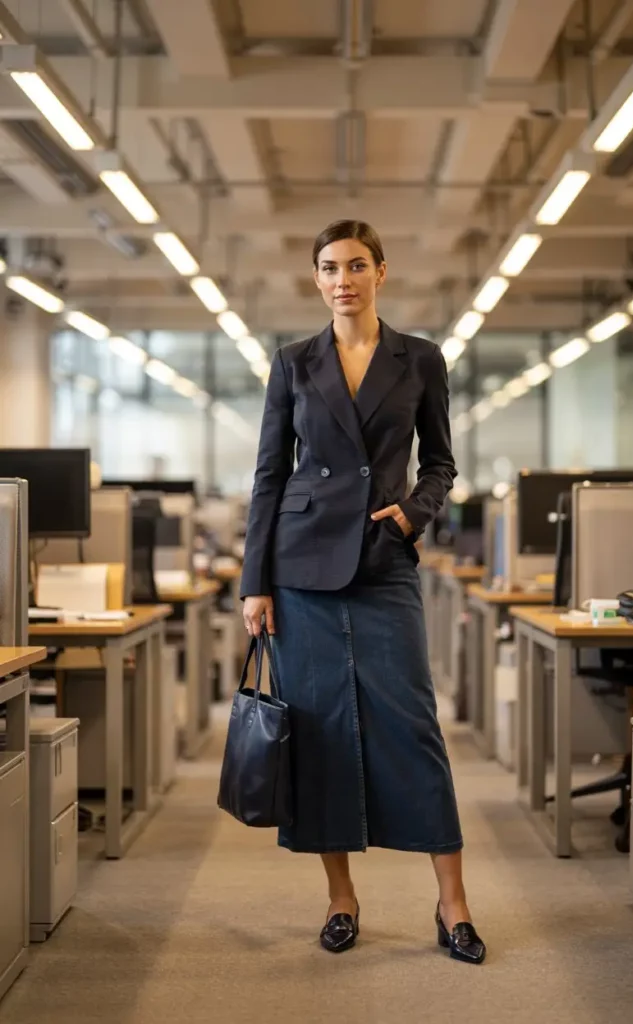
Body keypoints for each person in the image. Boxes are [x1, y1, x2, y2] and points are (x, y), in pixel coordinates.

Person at [240, 219, 486, 965]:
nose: (341, 280)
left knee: (413, 725)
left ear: (381, 272)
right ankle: (341, 898)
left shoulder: (420, 358)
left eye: (354, 266)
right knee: (318, 730)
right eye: (327, 268)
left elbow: (441, 462)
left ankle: (452, 903)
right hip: (302, 566)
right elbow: (268, 476)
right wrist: (255, 583)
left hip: (384, 559)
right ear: (316, 279)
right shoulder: (293, 362)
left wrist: (414, 513)